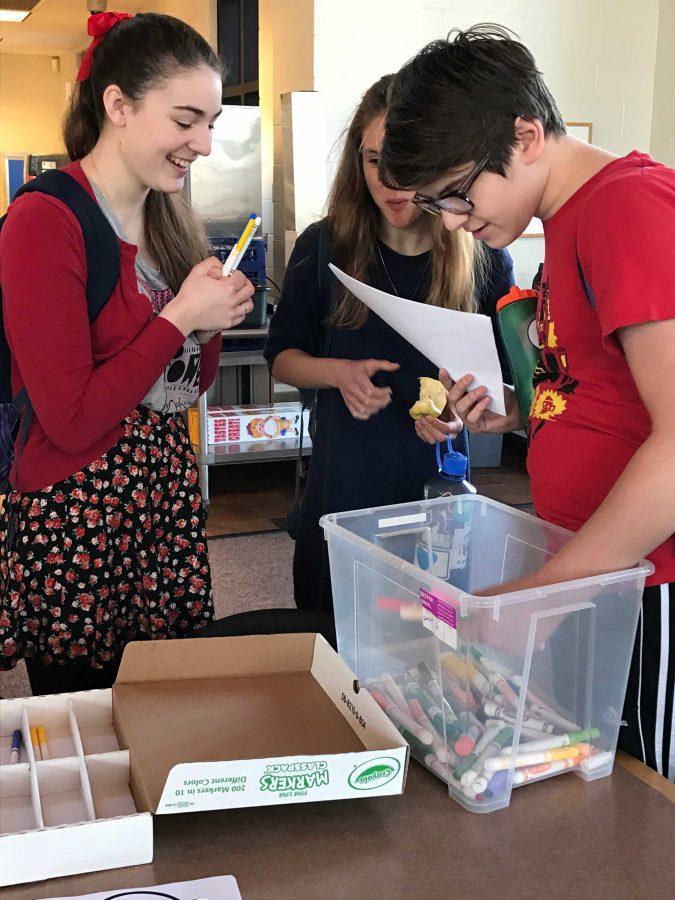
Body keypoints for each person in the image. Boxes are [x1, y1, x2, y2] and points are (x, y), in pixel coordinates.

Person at [381, 25, 675, 779]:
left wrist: (535, 599)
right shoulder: (568, 219)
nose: (451, 220)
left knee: (647, 801)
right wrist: (521, 408)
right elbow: (608, 391)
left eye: (456, 192)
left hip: (651, 579)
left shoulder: (626, 209)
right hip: (601, 574)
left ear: (526, 134)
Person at [0, 12, 256, 695]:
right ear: (117, 104)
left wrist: (210, 324)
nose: (202, 144)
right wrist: (178, 319)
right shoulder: (44, 220)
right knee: (87, 719)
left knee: (164, 702)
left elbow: (181, 390)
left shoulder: (167, 218)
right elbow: (72, 418)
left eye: (211, 123)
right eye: (185, 120)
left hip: (160, 505)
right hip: (77, 516)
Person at [264, 74, 514, 618]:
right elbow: (281, 356)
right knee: (330, 638)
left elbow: (508, 389)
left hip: (436, 494)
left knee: (427, 641)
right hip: (343, 483)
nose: (391, 180)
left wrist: (461, 412)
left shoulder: (485, 259)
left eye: (405, 161)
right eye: (375, 161)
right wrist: (338, 374)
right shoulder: (325, 245)